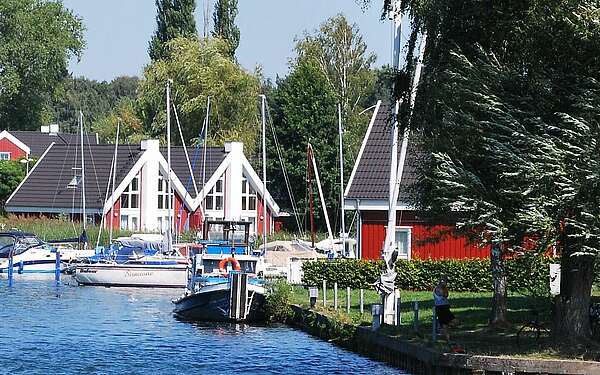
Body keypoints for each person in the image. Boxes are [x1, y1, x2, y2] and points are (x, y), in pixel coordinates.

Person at [433, 276, 457, 342]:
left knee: (454, 321)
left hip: (445, 307)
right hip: (440, 308)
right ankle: (447, 338)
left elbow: (446, 295)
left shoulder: (444, 288)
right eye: (445, 282)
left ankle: (442, 330)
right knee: (445, 324)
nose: (446, 283)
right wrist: (444, 290)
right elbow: (444, 295)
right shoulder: (438, 288)